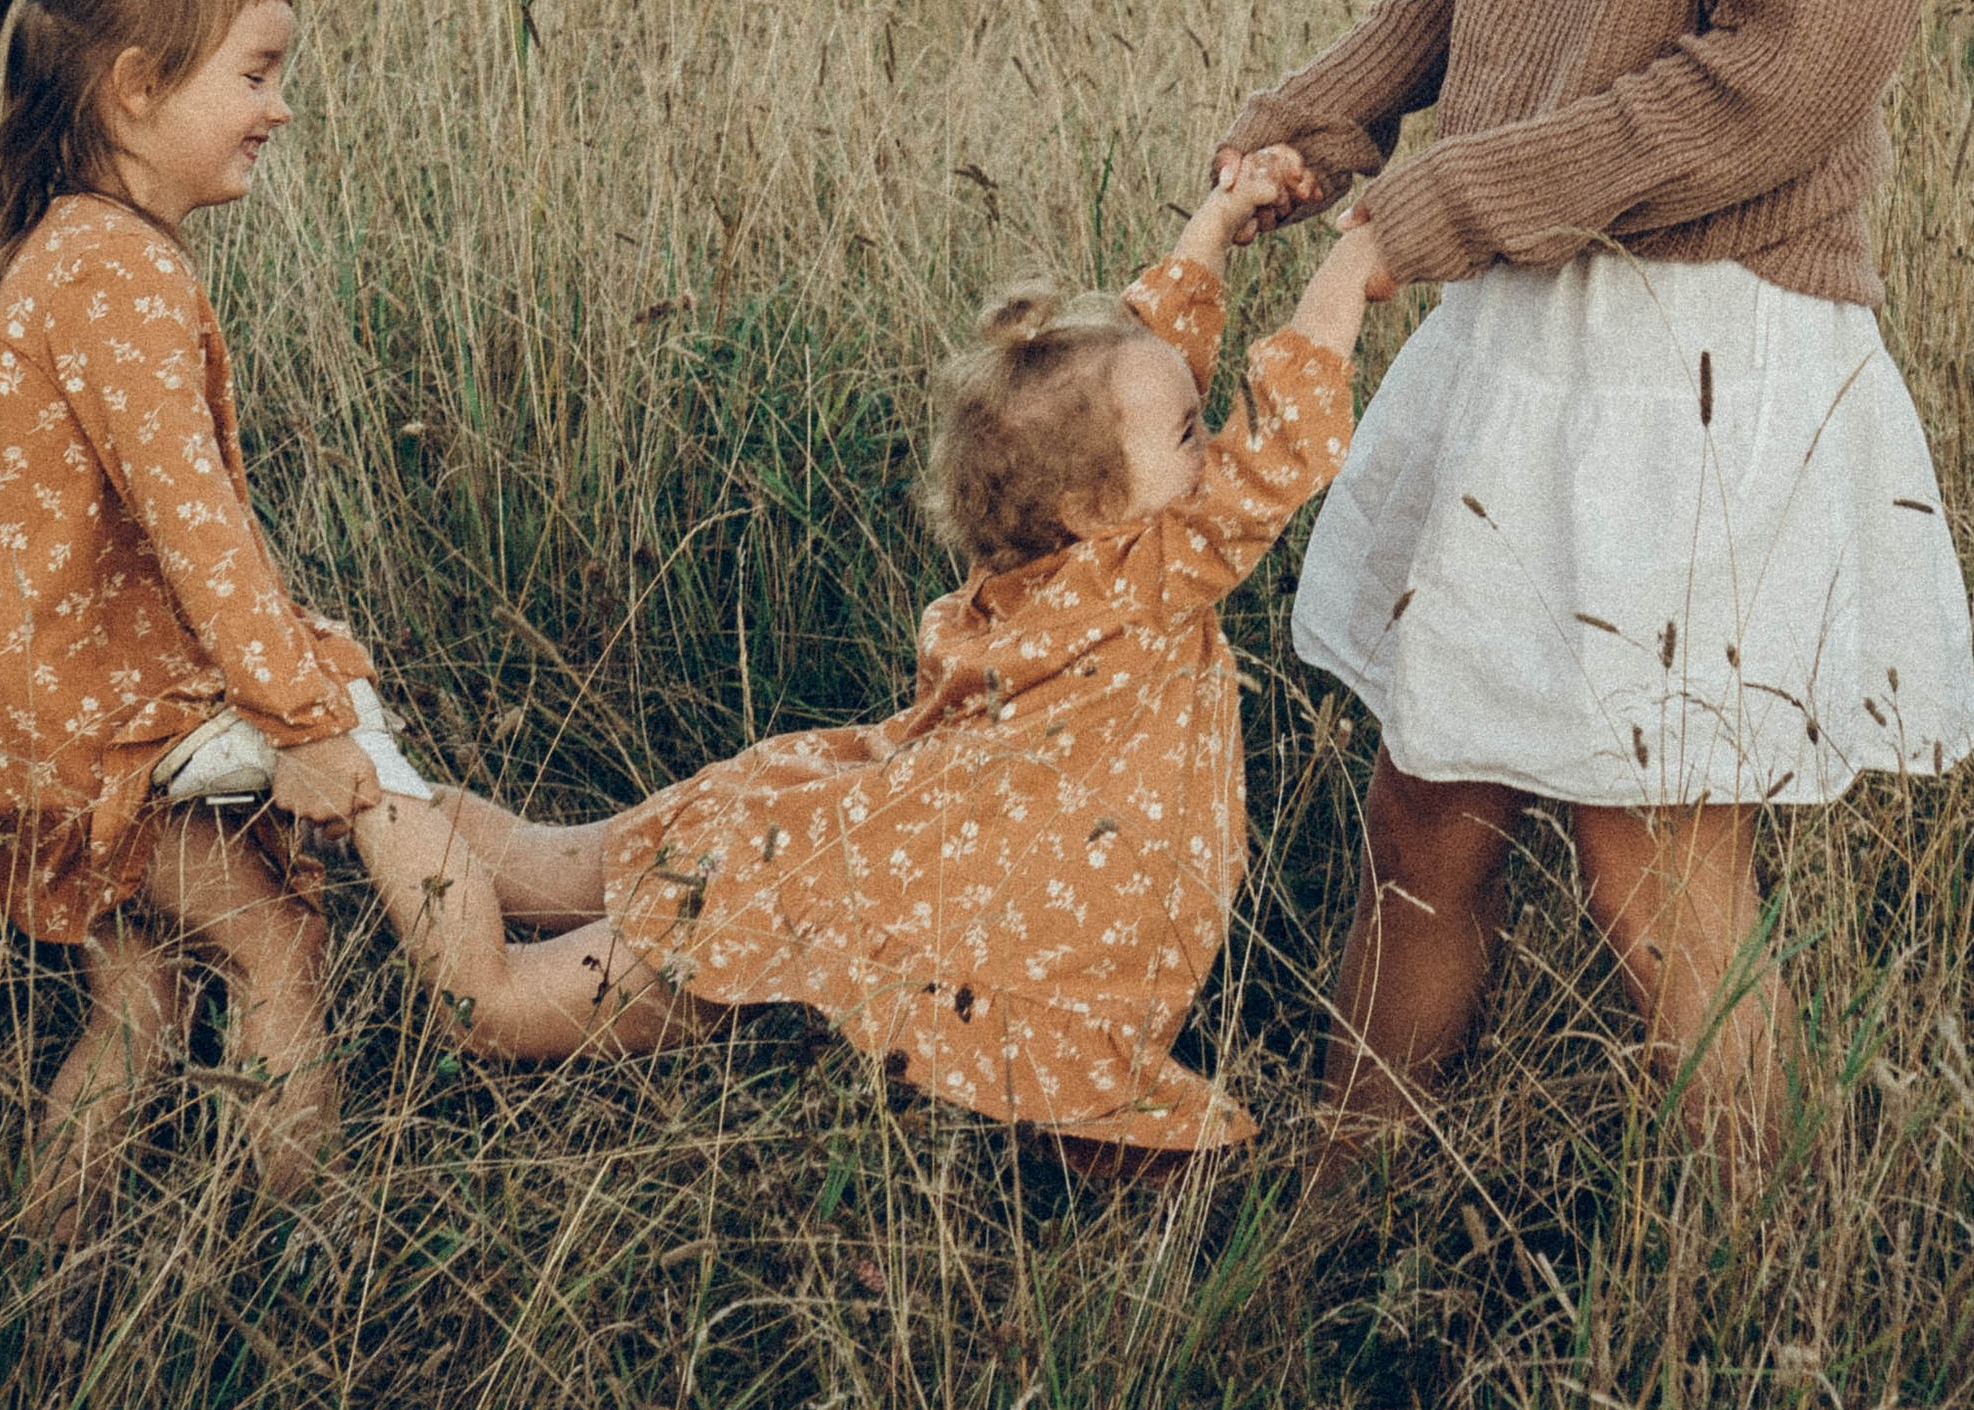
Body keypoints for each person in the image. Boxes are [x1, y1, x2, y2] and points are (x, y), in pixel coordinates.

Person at [1213, 0, 1974, 1176]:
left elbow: (1779, 79)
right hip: (1532, 332)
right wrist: (1332, 115)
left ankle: (1763, 1283)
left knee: (1651, 861)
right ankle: (1344, 1190)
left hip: (1710, 362)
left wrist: (1443, 205)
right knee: (1429, 806)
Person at [341, 167, 1389, 1162]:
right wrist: (1344, 276)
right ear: (1094, 508)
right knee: (496, 1007)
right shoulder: (1142, 579)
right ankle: (345, 789)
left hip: (872, 842)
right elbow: (1271, 453)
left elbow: (1146, 382)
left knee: (545, 862)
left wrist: (1213, 227)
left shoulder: (1065, 561)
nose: (1209, 449)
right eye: (1192, 437)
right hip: (877, 901)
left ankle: (351, 816)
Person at [0, 0, 424, 1231]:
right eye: (256, 73)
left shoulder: (85, 250)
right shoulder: (117, 275)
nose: (278, 108)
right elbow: (198, 531)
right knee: (282, 945)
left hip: (19, 712)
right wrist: (301, 720)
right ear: (135, 90)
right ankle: (301, 1264)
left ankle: (50, 1280)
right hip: (77, 728)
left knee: (146, 994)